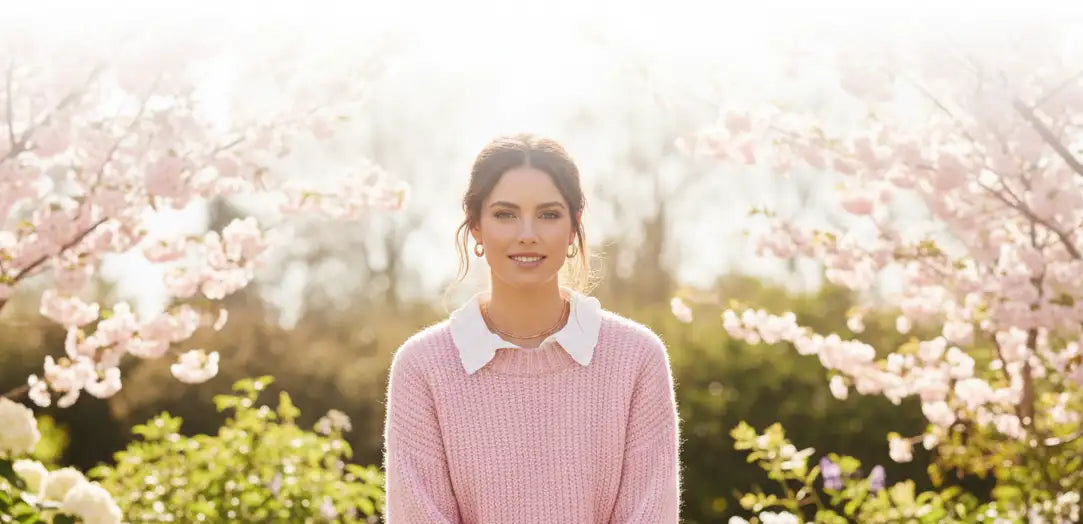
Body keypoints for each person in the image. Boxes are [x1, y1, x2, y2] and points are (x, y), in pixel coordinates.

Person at [382, 133, 681, 523]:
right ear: (476, 226)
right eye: (505, 214)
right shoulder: (423, 367)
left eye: (549, 214)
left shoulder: (637, 358)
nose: (527, 233)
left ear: (573, 227)